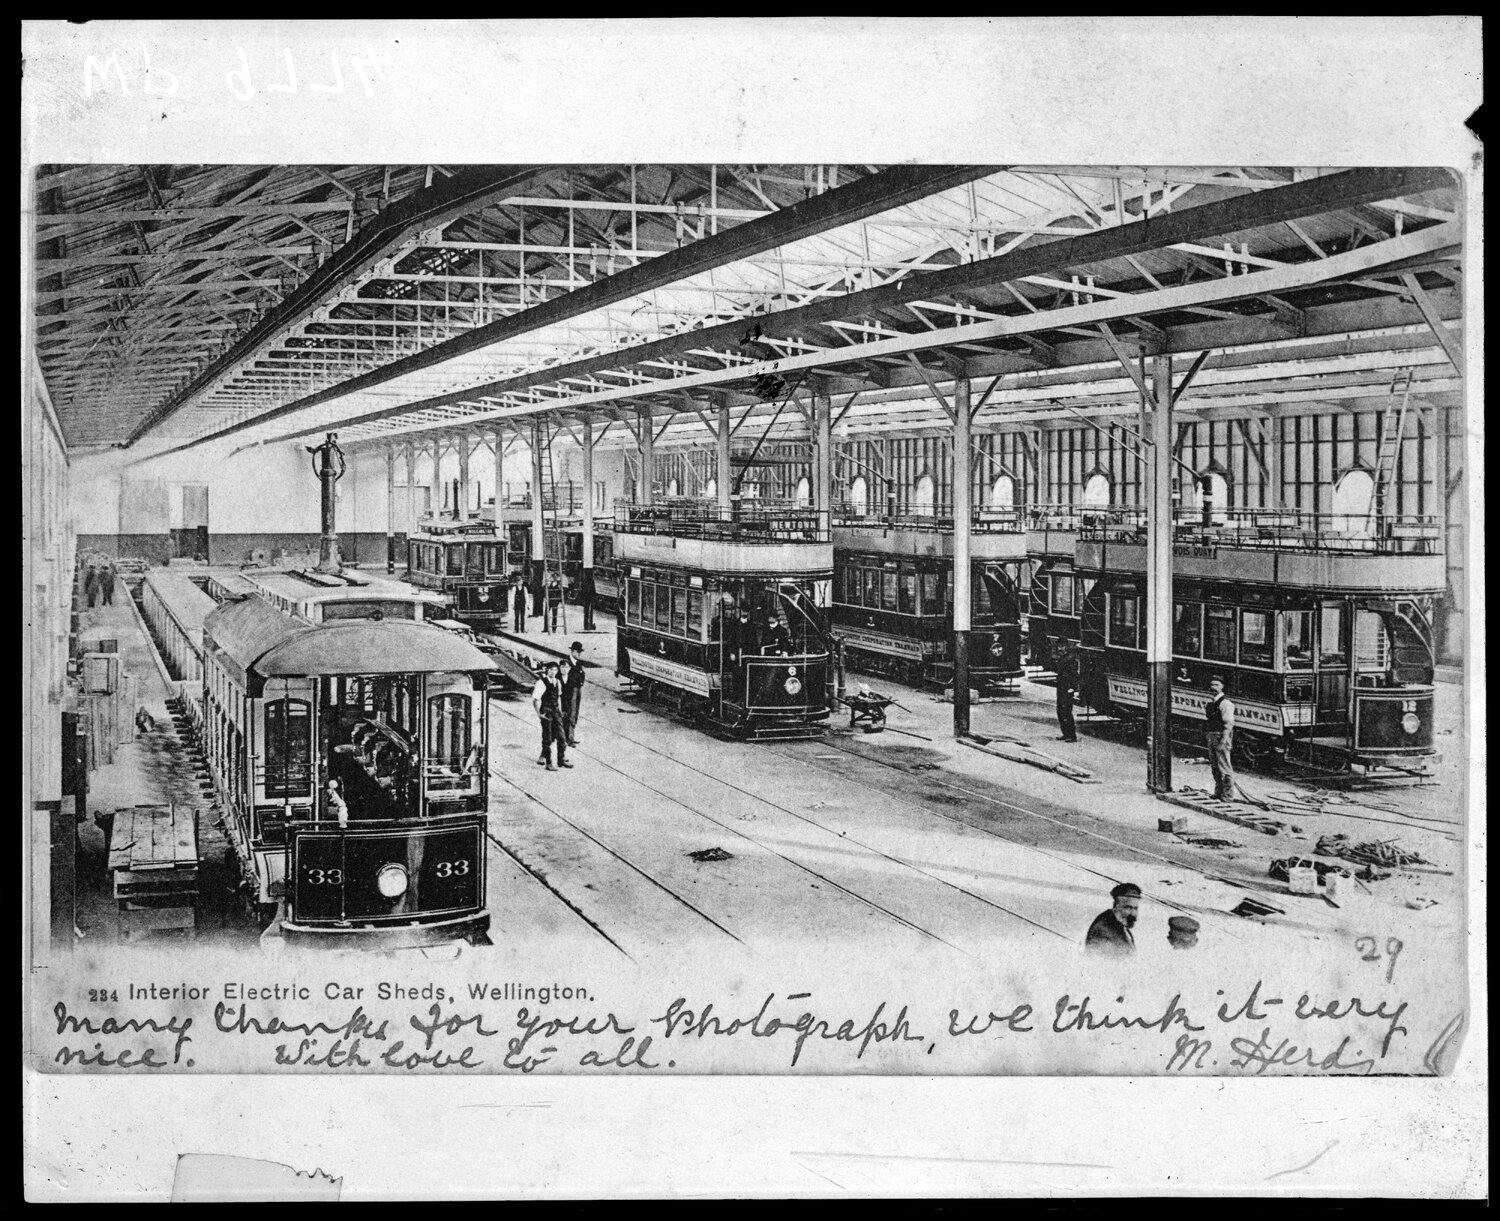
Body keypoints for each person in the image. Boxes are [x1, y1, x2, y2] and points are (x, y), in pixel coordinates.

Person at [531, 662, 572, 770]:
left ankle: (561, 760)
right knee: (547, 738)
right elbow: (535, 700)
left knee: (562, 737)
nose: (553, 672)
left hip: (556, 711)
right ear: (547, 670)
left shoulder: (558, 682)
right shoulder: (541, 683)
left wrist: (559, 710)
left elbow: (558, 697)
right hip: (546, 711)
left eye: (555, 670)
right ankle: (548, 764)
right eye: (551, 670)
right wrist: (539, 714)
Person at [1085, 882, 1141, 957]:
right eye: (1128, 908)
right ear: (1116, 906)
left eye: (1135, 908)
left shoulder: (1121, 926)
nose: (1133, 913)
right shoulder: (1103, 930)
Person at [1205, 675, 1236, 801]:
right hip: (1212, 735)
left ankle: (1228, 796)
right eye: (1212, 685)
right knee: (1215, 766)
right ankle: (1218, 792)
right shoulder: (1211, 702)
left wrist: (1223, 741)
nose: (1213, 688)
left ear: (1222, 686)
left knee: (1224, 766)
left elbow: (1228, 724)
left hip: (1220, 736)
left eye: (1217, 685)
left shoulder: (1225, 703)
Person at [561, 641, 586, 747]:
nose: (579, 654)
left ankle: (571, 736)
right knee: (569, 714)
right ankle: (568, 738)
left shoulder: (578, 663)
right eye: (578, 652)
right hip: (569, 692)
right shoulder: (566, 663)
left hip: (577, 690)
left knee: (575, 713)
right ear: (573, 651)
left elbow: (582, 675)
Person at [1054, 639, 1080, 742]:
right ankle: (1065, 733)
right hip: (1061, 686)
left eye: (1061, 646)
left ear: (1065, 647)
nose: (1059, 649)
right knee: (1061, 710)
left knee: (1066, 711)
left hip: (1067, 688)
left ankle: (1071, 735)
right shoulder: (1064, 658)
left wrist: (1072, 688)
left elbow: (1073, 675)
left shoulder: (1070, 659)